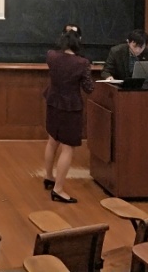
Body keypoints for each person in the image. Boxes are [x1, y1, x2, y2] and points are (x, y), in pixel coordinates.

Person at [43, 30, 94, 203]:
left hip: (53, 102)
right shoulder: (82, 63)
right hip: (70, 107)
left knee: (52, 140)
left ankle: (49, 177)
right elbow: (89, 88)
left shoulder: (51, 56)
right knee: (67, 148)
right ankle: (58, 190)